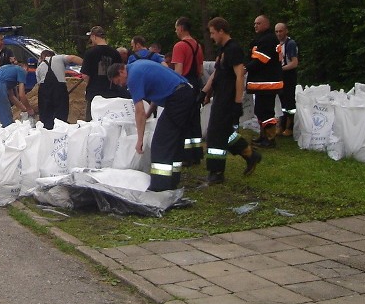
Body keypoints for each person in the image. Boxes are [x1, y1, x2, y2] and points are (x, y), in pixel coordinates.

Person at [107, 60, 193, 192]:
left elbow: (139, 111)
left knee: (161, 143)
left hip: (177, 98)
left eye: (119, 81)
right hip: (185, 93)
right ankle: (172, 181)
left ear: (121, 71)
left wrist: (140, 140)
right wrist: (149, 113)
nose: (121, 85)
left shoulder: (133, 77)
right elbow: (156, 92)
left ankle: (160, 186)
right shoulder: (138, 67)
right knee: (174, 140)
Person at [201, 17, 261, 185]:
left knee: (215, 134)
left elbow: (240, 75)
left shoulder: (234, 49)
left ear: (221, 31)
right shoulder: (223, 49)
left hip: (228, 99)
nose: (212, 36)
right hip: (219, 96)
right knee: (224, 132)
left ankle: (216, 172)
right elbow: (216, 74)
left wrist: (237, 102)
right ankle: (250, 154)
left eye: (213, 33)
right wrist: (205, 92)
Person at [246, 15, 284, 148]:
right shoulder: (262, 39)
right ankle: (263, 136)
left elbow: (261, 60)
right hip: (262, 83)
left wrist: (245, 68)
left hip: (268, 82)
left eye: (258, 23)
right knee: (260, 110)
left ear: (266, 24)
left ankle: (270, 138)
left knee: (266, 111)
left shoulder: (268, 39)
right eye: (254, 23)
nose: (255, 25)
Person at [171, 17, 205, 166]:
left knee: (183, 120)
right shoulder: (198, 45)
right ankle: (196, 154)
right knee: (194, 120)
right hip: (196, 84)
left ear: (181, 28)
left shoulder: (179, 46)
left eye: (176, 27)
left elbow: (178, 70)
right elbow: (201, 70)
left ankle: (185, 155)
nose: (175, 31)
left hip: (184, 84)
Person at [82, 26, 122, 120]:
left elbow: (85, 75)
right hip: (112, 92)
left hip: (94, 92)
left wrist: (86, 87)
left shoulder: (90, 53)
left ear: (94, 36)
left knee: (93, 121)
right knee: (110, 120)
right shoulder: (115, 53)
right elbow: (120, 72)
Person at [36, 49, 83, 129]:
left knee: (46, 117)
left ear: (42, 57)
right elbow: (72, 58)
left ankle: (48, 134)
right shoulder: (58, 58)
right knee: (61, 115)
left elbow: (39, 84)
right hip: (59, 90)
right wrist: (88, 66)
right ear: (53, 55)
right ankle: (60, 134)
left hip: (44, 92)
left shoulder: (39, 68)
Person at [275, 22, 299, 137]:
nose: (279, 33)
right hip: (280, 75)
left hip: (289, 75)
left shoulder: (290, 44)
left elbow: (294, 63)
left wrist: (281, 69)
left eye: (281, 31)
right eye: (277, 31)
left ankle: (290, 126)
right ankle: (282, 124)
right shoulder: (277, 44)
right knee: (281, 101)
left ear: (286, 31)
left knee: (289, 101)